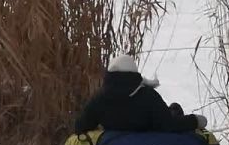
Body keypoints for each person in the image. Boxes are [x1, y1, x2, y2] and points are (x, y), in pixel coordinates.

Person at [74, 54, 207, 134]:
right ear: (134, 74)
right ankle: (175, 109)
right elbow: (169, 125)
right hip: (148, 142)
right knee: (175, 109)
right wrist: (195, 120)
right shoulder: (147, 96)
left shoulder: (100, 98)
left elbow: (81, 126)